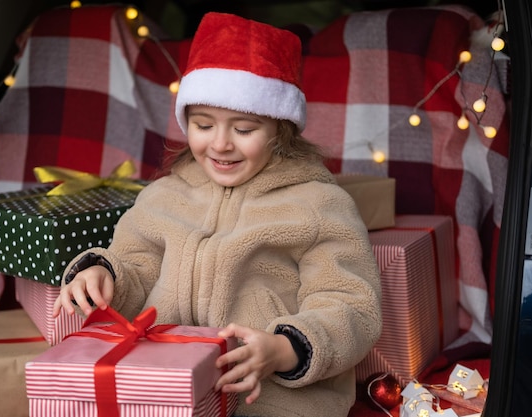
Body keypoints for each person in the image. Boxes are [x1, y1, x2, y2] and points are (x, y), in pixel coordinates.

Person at [53, 11, 382, 417]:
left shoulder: (318, 205)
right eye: (203, 125)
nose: (221, 144)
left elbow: (352, 305)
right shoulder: (164, 196)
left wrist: (283, 349)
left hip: (272, 400)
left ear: (281, 130)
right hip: (169, 389)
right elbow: (138, 267)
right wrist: (106, 275)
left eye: (244, 130)